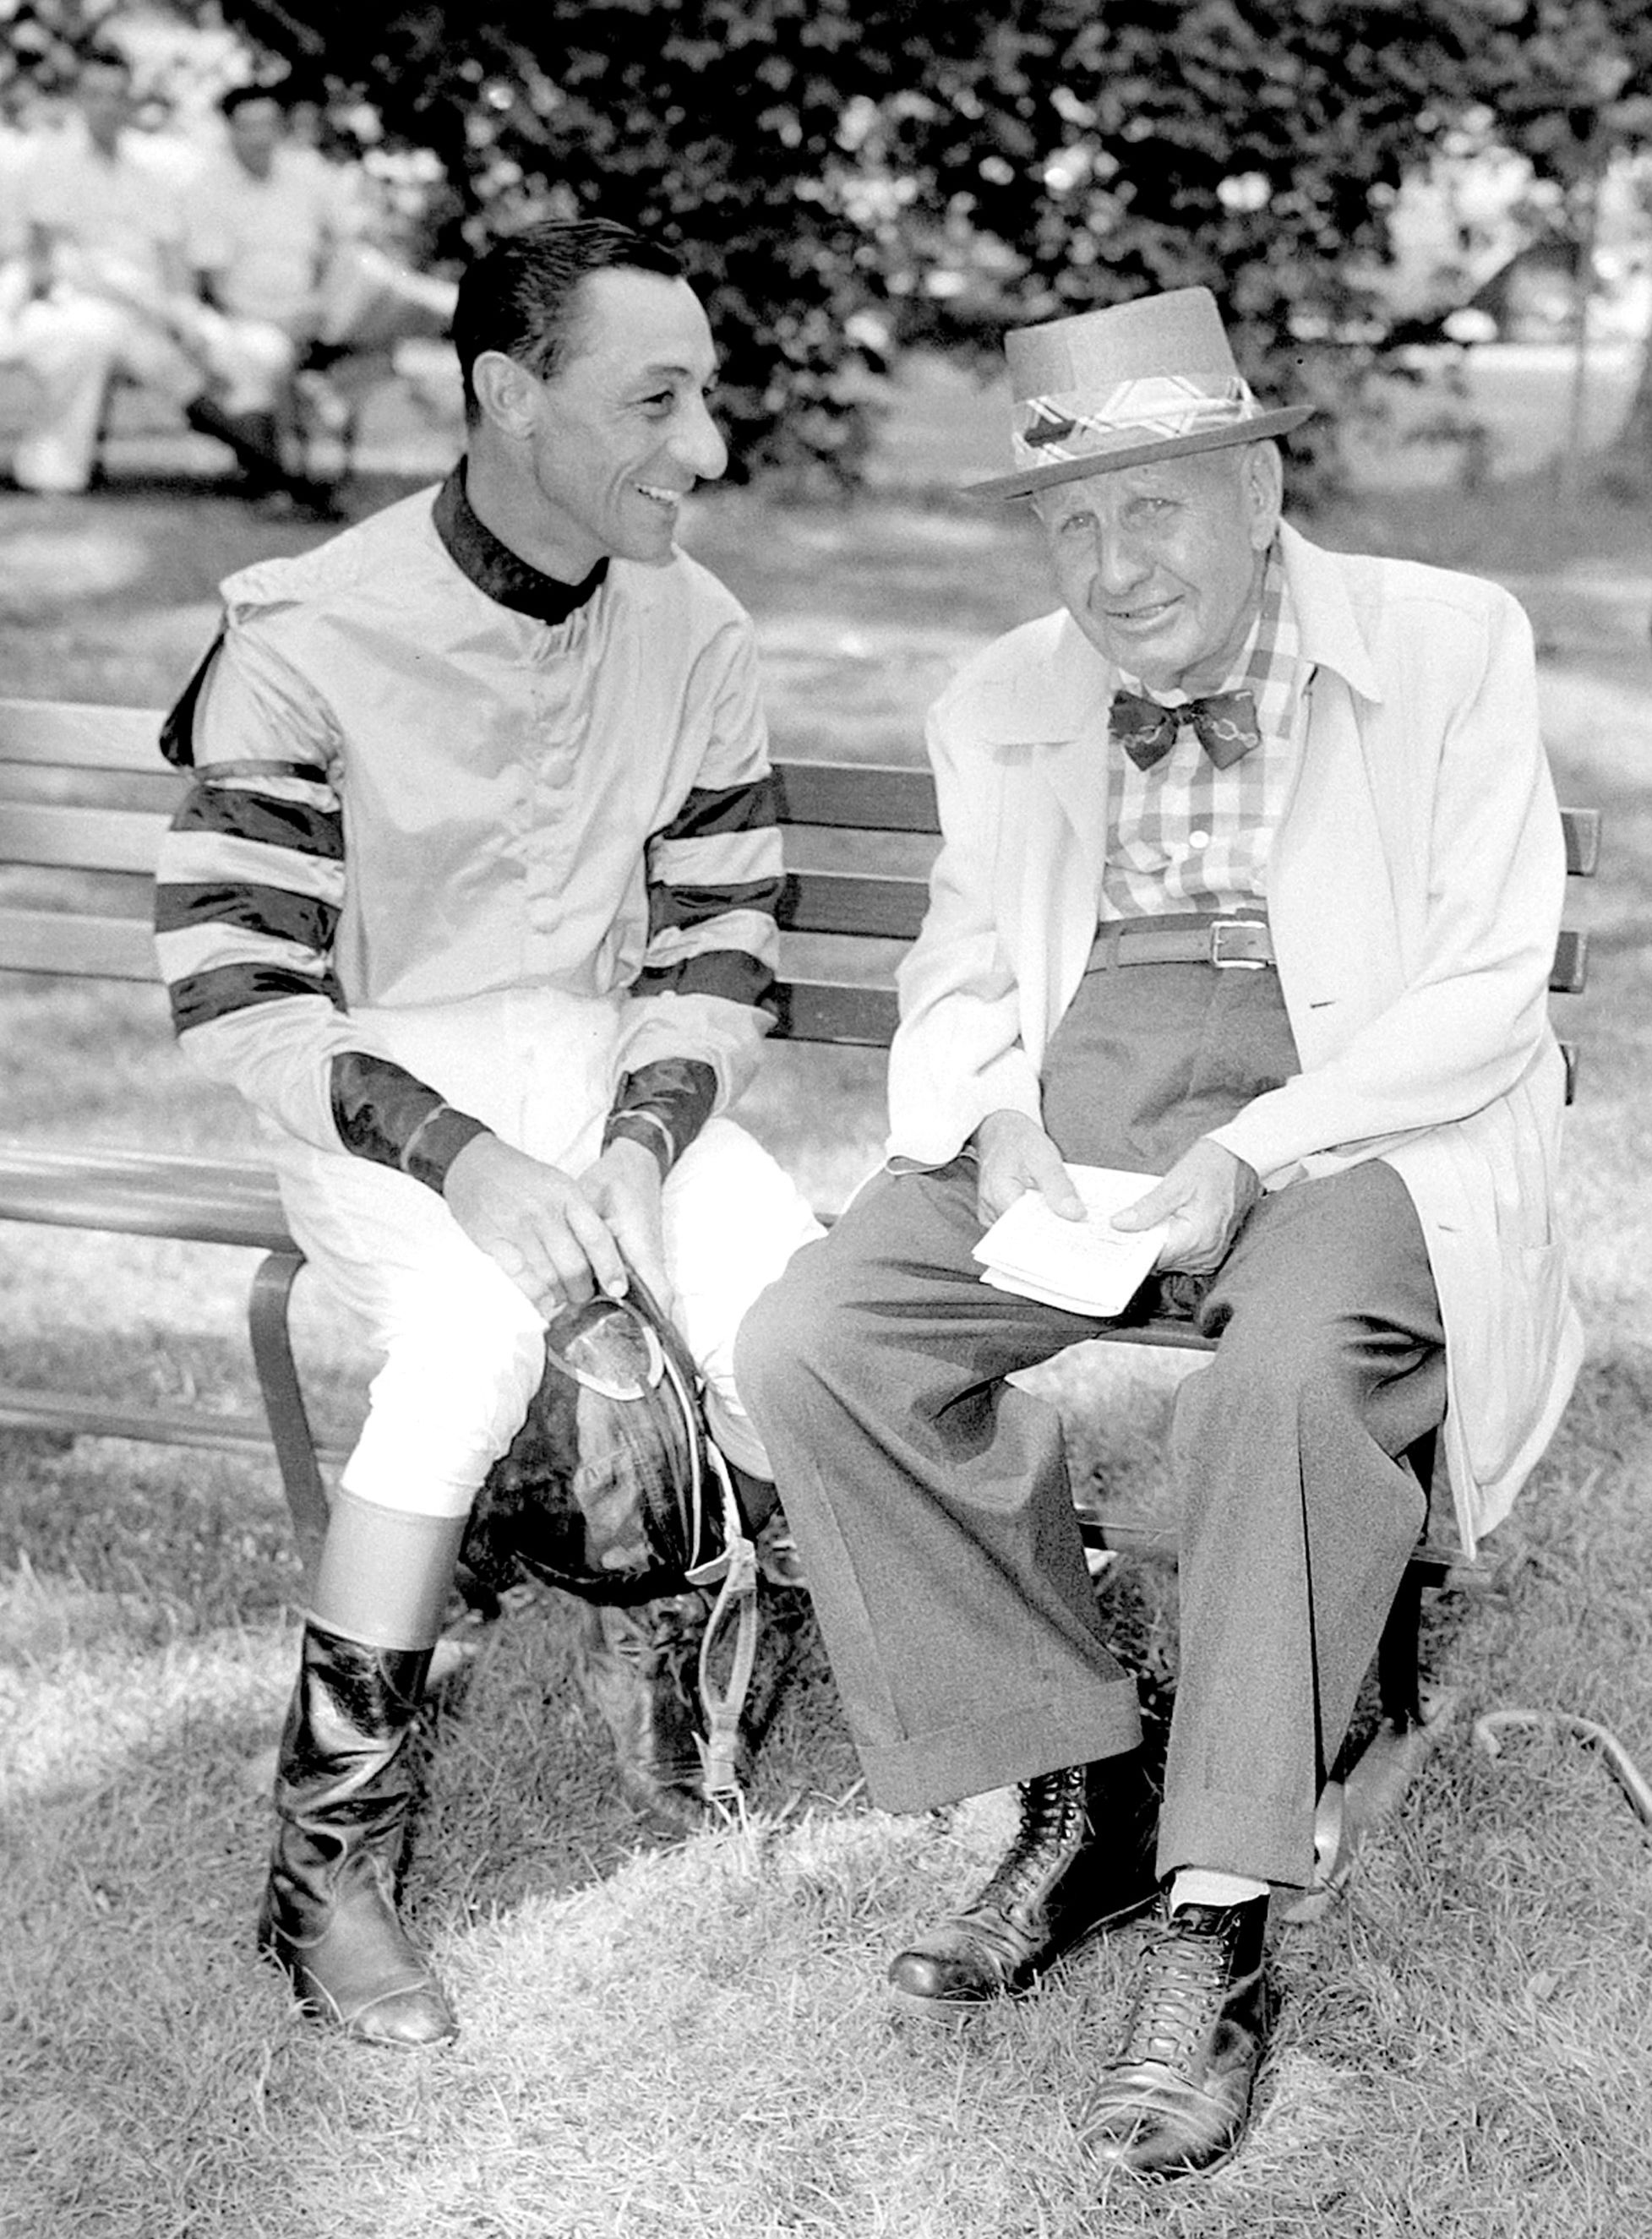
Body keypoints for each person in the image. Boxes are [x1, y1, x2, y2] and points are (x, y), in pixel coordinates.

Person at [733, 286, 1581, 2181]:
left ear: (1255, 486)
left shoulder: (1448, 641)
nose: (1111, 570)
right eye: (1071, 524)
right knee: (815, 1340)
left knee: (1274, 1380)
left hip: (1358, 1080)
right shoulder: (998, 697)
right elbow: (962, 956)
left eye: (1154, 510)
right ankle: (1082, 1773)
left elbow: (1480, 987)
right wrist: (997, 1113)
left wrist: (1254, 1155)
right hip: (1091, 1064)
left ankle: (1216, 1914)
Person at [151, 218, 821, 2048]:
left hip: (602, 1076)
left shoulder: (698, 623)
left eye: (706, 396)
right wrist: (469, 1162)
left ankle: (710, 1644)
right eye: (652, 401)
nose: (701, 448)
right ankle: (330, 1868)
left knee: (792, 1308)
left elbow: (717, 940)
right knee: (464, 1335)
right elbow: (242, 991)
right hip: (377, 1103)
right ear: (505, 396)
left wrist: (635, 1142)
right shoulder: (303, 630)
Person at [7, 47, 325, 504]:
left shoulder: (146, 170)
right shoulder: (52, 162)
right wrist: (150, 307)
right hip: (84, 303)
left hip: (155, 308)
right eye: (96, 95)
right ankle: (279, 475)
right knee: (121, 337)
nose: (107, 106)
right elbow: (52, 261)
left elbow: (172, 255)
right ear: (79, 98)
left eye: (118, 95)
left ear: (130, 100)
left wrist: (184, 313)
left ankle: (268, 472)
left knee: (240, 352)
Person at [185, 83, 457, 457]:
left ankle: (462, 310)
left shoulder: (304, 172)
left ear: (281, 127)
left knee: (368, 268)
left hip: (320, 309)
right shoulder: (208, 189)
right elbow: (214, 289)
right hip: (253, 318)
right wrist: (281, 319)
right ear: (229, 129)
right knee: (271, 353)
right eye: (248, 126)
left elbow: (351, 234)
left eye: (268, 125)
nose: (260, 137)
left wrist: (317, 299)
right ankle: (291, 461)